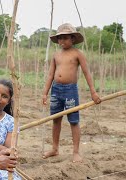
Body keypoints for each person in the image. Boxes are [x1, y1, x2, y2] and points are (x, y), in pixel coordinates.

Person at [42, 23, 101, 162]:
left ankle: (76, 151)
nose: (62, 41)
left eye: (66, 38)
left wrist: (93, 92)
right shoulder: (56, 55)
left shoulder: (78, 54)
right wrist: (45, 93)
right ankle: (55, 148)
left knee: (74, 121)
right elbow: (50, 75)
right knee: (56, 120)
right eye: (60, 38)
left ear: (73, 39)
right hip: (56, 90)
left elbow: (87, 73)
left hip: (70, 90)